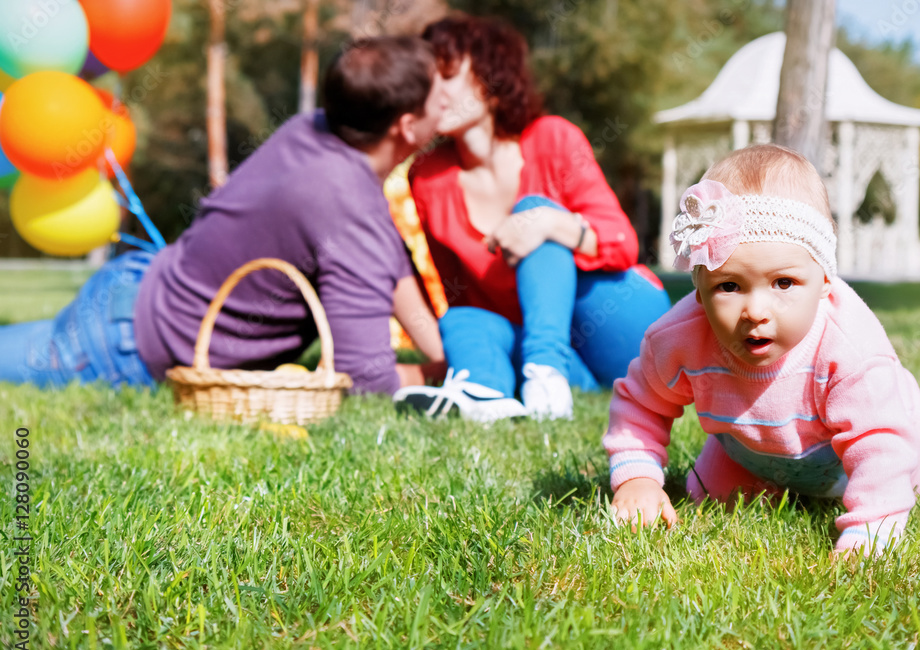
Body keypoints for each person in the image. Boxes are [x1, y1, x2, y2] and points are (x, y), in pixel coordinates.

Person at [0, 36, 447, 395]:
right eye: (439, 95)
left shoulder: (311, 130)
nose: (449, 102)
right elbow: (367, 379)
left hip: (137, 289)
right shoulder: (350, 208)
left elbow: (386, 260)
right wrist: (440, 377)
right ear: (407, 126)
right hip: (127, 346)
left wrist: (444, 352)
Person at [604, 144, 920, 556]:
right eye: (729, 286)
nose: (756, 311)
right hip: (756, 450)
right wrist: (637, 478)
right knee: (709, 495)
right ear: (699, 287)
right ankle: (773, 479)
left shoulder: (849, 350)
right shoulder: (679, 338)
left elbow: (879, 445)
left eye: (783, 283)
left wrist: (870, 533)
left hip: (881, 443)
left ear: (824, 281)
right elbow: (641, 404)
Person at [392, 14, 671, 423]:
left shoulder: (552, 138)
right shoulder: (428, 176)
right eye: (427, 79)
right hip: (555, 347)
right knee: (463, 318)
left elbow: (622, 242)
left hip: (619, 318)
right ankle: (485, 392)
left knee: (532, 211)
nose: (434, 92)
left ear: (490, 76)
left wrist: (550, 223)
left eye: (447, 75)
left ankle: (544, 368)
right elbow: (460, 294)